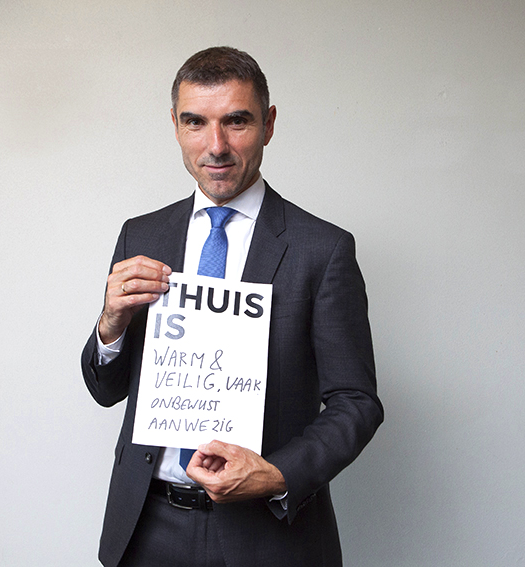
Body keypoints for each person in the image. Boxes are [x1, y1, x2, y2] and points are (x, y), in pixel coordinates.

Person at [81, 46, 383, 567]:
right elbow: (106, 390)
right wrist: (111, 323)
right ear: (175, 125)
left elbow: (357, 402)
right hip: (147, 528)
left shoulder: (323, 249)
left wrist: (279, 474)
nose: (215, 146)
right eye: (195, 122)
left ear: (268, 124)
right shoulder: (141, 234)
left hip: (267, 536)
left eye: (236, 121)